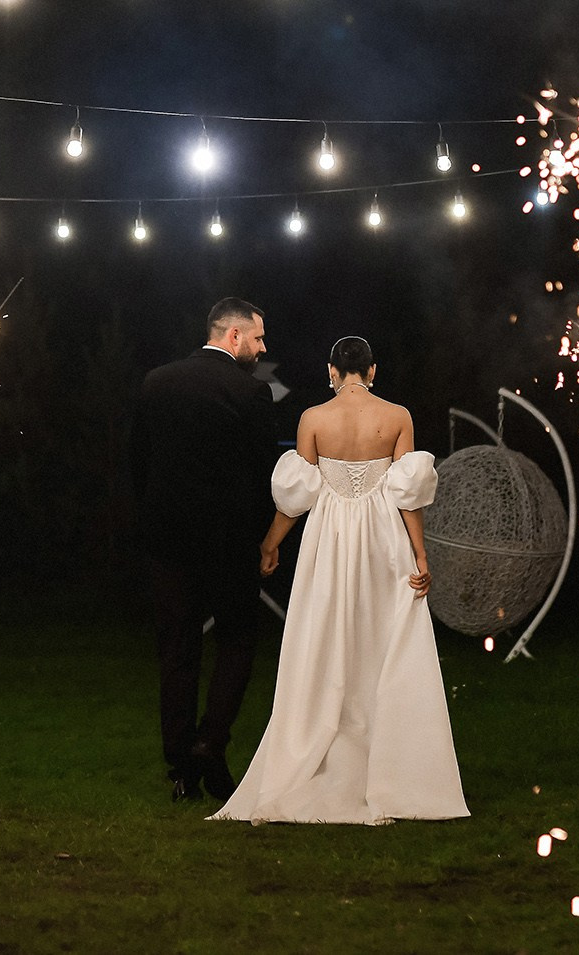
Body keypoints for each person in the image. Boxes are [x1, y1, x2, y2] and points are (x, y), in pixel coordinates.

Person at [211, 336, 465, 824]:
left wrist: (271, 543)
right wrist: (420, 553)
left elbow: (299, 494)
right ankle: (386, 762)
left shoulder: (313, 419)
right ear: (372, 371)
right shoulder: (397, 417)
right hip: (382, 539)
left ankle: (322, 747)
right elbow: (406, 493)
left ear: (333, 370)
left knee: (324, 635)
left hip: (328, 540)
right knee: (379, 638)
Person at [128, 298, 279, 802]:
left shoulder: (156, 383)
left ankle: (180, 769)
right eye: (257, 338)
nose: (262, 348)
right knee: (237, 641)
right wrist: (265, 537)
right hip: (229, 543)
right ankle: (211, 742)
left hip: (167, 543)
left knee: (177, 652)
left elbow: (138, 464)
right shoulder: (252, 392)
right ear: (233, 336)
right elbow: (264, 475)